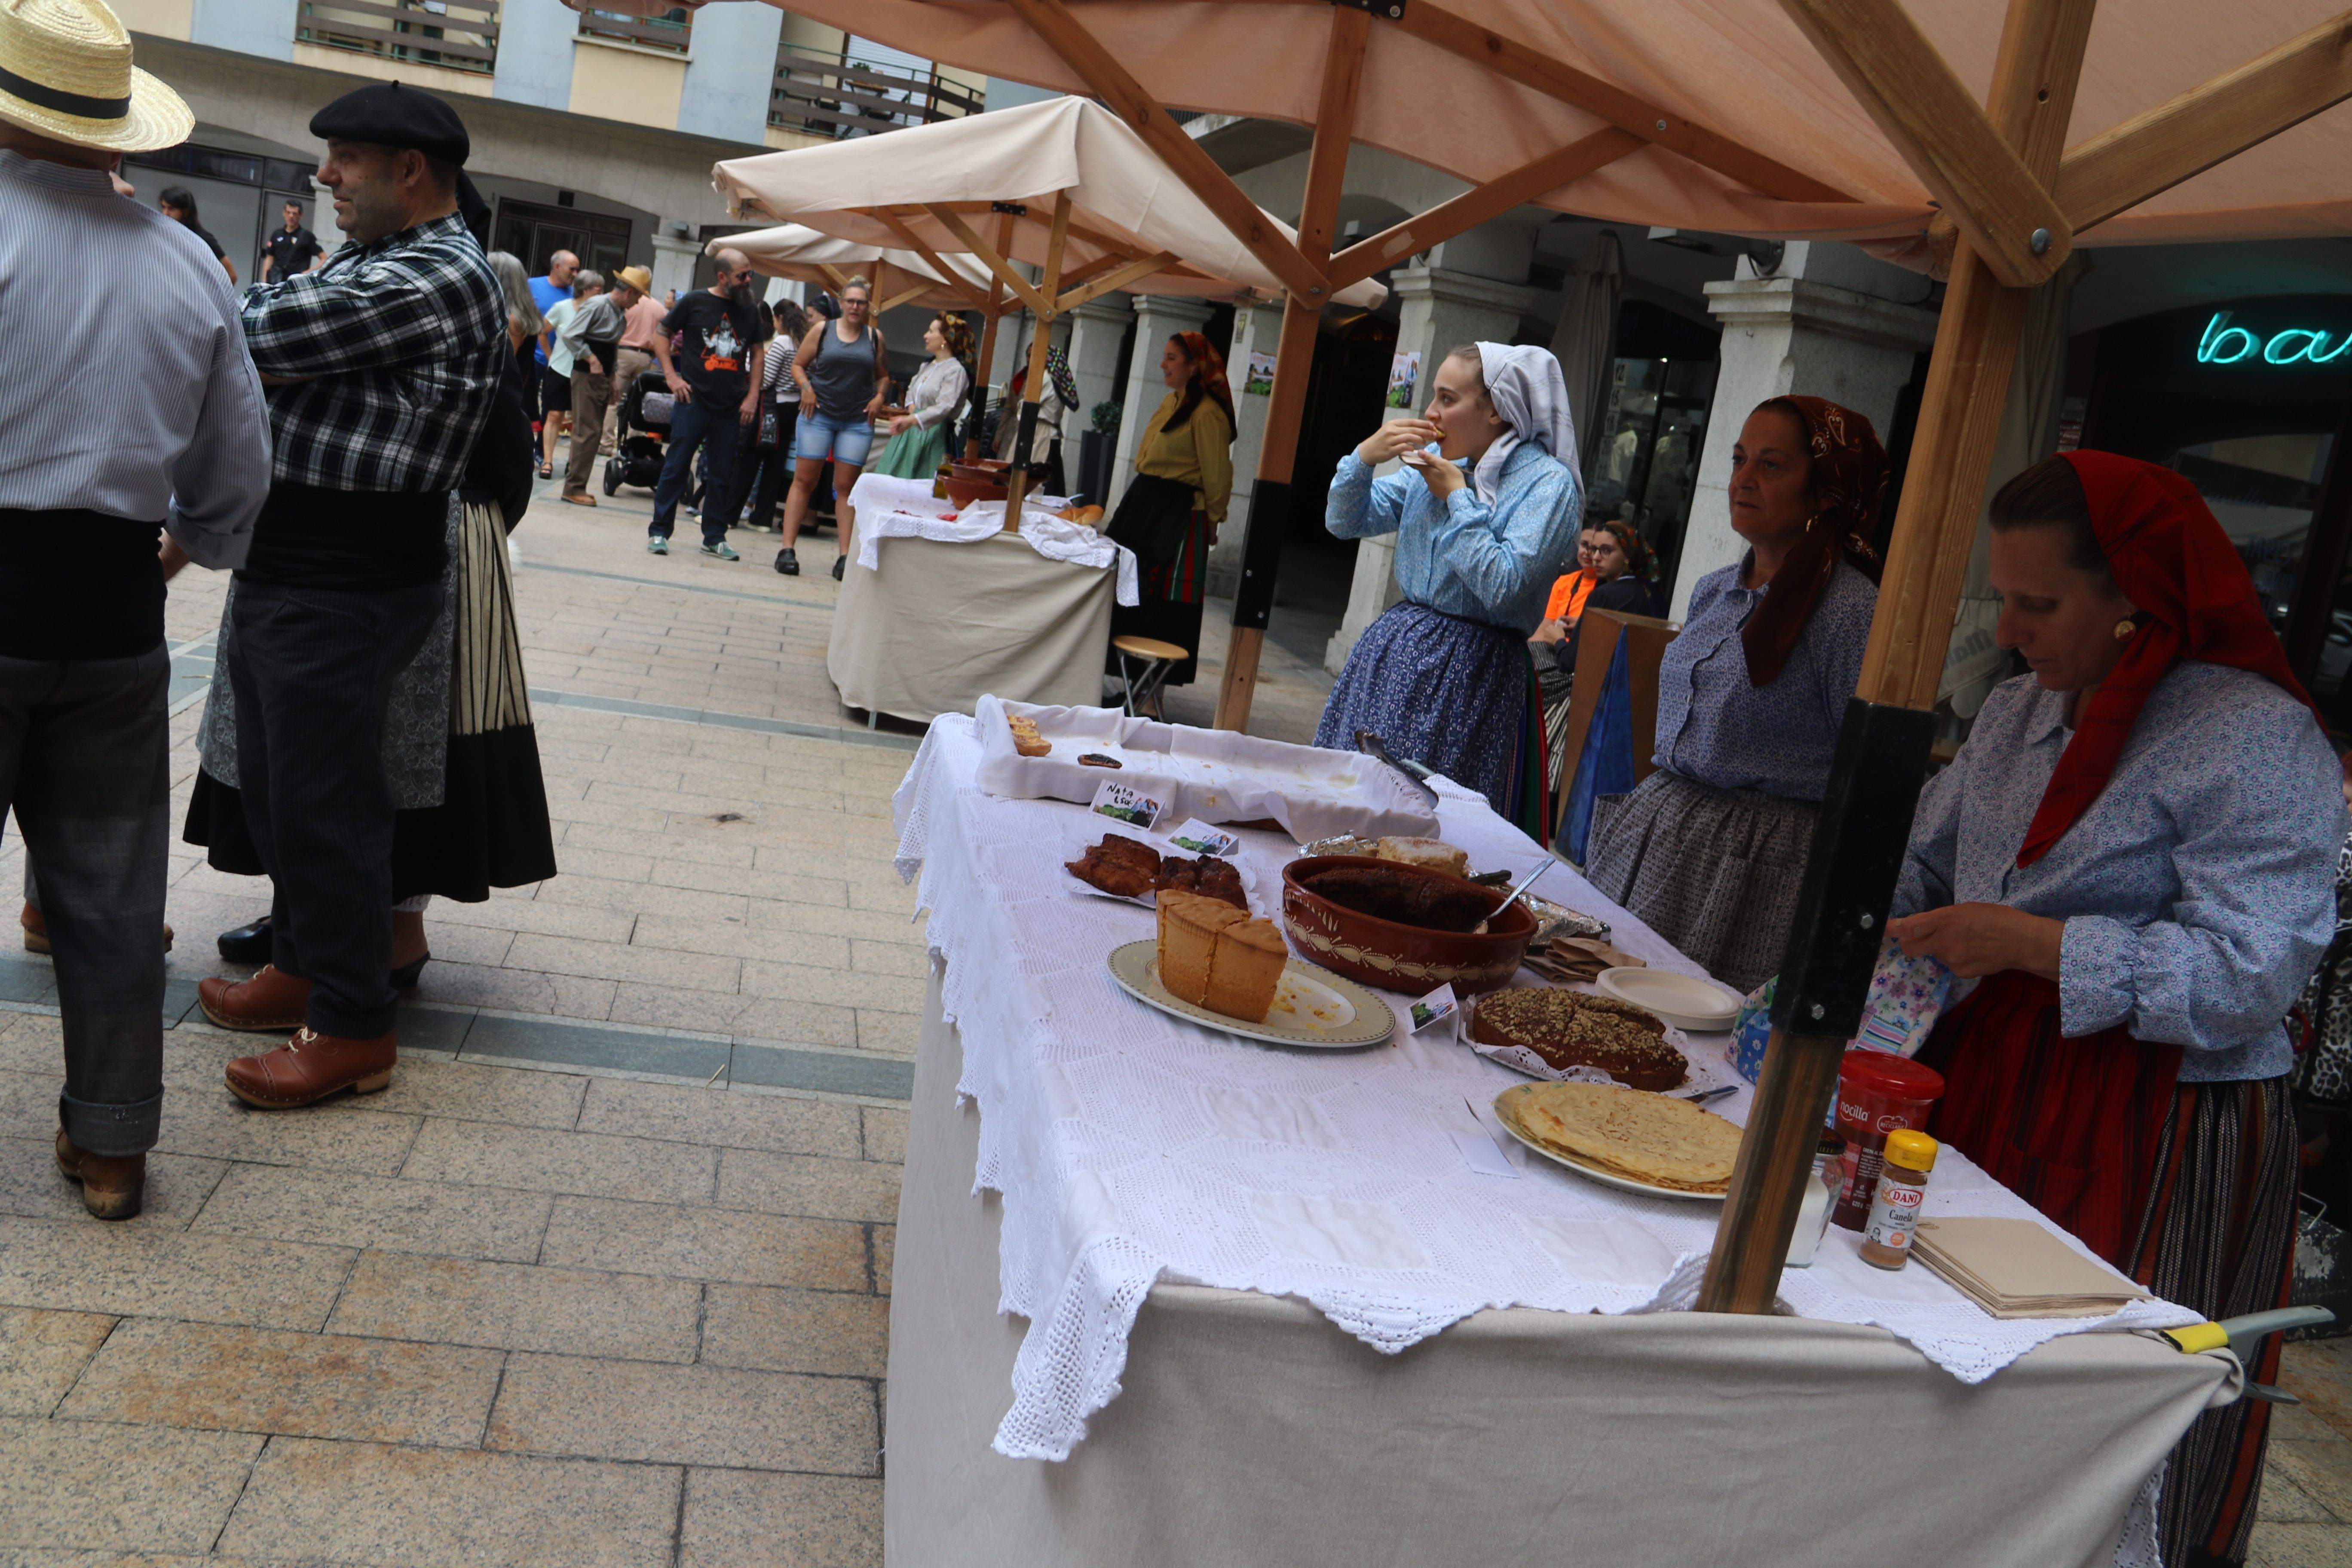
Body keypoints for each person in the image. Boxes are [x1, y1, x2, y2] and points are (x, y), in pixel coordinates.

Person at [1886, 452, 2343, 1568]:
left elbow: (2250, 976)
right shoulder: (2015, 714)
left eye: (2040, 605)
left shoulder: (2250, 736)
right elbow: (1928, 862)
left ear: (2136, 597)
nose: (2010, 632)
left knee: (2099, 1395)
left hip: (2158, 1119)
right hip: (1992, 1073)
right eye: (2005, 599)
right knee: (1956, 1358)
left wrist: (2032, 945)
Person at [0, 0, 270, 1218]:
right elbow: (238, 471)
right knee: (112, 900)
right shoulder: (184, 263)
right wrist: (174, 556)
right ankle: (112, 1148)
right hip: (112, 612)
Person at [187, 80, 505, 1112]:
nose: (323, 177)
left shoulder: (439, 272)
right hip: (298, 568)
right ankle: (304, 967)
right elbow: (273, 340)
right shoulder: (377, 259)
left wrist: (274, 356)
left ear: (408, 171)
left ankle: (356, 1026)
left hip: (345, 580)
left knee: (325, 805)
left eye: (344, 160)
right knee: (281, 791)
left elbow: (247, 331)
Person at [1581, 395, 1882, 992]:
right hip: (1659, 837)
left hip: (1753, 876)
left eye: (1771, 465)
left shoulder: (1850, 612)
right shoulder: (1715, 590)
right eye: (1739, 459)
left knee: (1691, 1025)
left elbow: (1870, 776)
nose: (1742, 480)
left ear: (1826, 490)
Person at [1311, 342, 1580, 839]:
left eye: (1447, 398)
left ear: (1498, 409)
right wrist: (1364, 458)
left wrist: (1458, 498)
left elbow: (1503, 586)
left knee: (1430, 824)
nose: (1431, 412)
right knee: (1351, 804)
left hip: (1474, 675)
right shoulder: (1434, 459)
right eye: (1434, 395)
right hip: (1393, 657)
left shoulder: (1548, 485)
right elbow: (1345, 521)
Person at [1104, 333, 1236, 691]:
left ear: (1195, 367)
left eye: (1172, 358)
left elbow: (1218, 476)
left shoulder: (1207, 414)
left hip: (1178, 513)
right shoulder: (1171, 401)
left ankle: (1151, 695)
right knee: (1129, 589)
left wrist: (1213, 519)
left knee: (1163, 598)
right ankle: (1132, 686)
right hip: (1145, 503)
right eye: (1164, 356)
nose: (1163, 364)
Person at [646, 246, 765, 560]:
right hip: (693, 400)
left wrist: (753, 396)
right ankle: (659, 532)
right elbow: (661, 333)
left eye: (750, 274)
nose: (748, 280)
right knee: (676, 466)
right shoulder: (695, 302)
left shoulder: (750, 309)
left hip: (731, 406)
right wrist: (671, 377)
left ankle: (714, 537)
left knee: (722, 474)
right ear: (722, 276)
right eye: (742, 276)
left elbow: (758, 353)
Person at [778, 276, 885, 579]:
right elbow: (798, 365)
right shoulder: (823, 330)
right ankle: (787, 550)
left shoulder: (875, 337)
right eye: (850, 301)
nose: (855, 307)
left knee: (846, 488)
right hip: (819, 415)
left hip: (857, 421)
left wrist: (879, 397)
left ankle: (845, 557)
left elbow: (883, 376)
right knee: (804, 481)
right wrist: (806, 389)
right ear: (841, 303)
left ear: (867, 307)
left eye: (861, 302)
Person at [1530, 518, 1660, 676]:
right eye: (1594, 549)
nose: (1596, 557)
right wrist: (1581, 626)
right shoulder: (1640, 591)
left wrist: (1558, 640)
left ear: (1627, 556)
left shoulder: (1603, 594)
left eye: (1606, 551)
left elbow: (1569, 663)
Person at [723, 296, 807, 538]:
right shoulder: (804, 342)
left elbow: (766, 379)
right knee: (775, 464)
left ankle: (729, 515)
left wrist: (750, 372)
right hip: (793, 408)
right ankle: (762, 518)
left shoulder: (782, 342)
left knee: (750, 458)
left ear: (780, 319)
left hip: (771, 407)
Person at [868, 312, 971, 481]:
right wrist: (911, 408)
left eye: (931, 331)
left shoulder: (955, 371)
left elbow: (945, 406)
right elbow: (911, 390)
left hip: (934, 437)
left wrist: (914, 419)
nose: (926, 336)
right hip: (910, 434)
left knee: (920, 483)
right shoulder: (927, 365)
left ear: (945, 339)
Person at [558, 269, 627, 507]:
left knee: (593, 432)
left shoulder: (618, 311)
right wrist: (591, 358)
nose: (639, 302)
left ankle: (577, 485)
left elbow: (612, 346)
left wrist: (613, 378)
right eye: (638, 296)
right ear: (629, 292)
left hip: (601, 375)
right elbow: (571, 335)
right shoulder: (597, 305)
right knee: (586, 432)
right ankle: (574, 487)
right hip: (588, 375)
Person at [992, 343, 1076, 494]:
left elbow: (1027, 407)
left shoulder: (1045, 379)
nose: (1030, 360)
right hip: (1040, 431)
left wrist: (1022, 406)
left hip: (1041, 433)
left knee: (1032, 482)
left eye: (1035, 356)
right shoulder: (1052, 379)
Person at [539, 270, 597, 480]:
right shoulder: (562, 308)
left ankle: (573, 462)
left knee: (579, 420)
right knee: (554, 415)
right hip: (560, 369)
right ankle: (547, 461)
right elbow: (542, 332)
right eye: (598, 288)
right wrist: (550, 357)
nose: (602, 293)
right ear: (587, 290)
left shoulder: (598, 312)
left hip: (585, 373)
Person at [528, 249, 578, 477]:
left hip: (557, 364)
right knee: (526, 407)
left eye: (577, 270)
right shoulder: (533, 286)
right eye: (572, 269)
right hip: (531, 358)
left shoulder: (574, 295)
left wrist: (551, 359)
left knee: (551, 412)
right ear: (557, 267)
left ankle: (541, 454)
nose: (575, 274)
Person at [605, 264, 662, 446]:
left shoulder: (625, 303)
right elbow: (663, 337)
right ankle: (633, 441)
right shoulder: (659, 308)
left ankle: (606, 442)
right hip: (645, 357)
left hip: (622, 353)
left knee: (613, 399)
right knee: (639, 401)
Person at [156, 184, 234, 282]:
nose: (165, 213)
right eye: (164, 207)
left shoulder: (203, 238)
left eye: (171, 209)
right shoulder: (164, 234)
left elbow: (231, 275)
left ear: (186, 212)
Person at [260, 197, 322, 281]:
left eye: (295, 214)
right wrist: (264, 281)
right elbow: (269, 258)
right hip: (276, 280)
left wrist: (307, 273)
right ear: (284, 213)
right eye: (288, 213)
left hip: (295, 281)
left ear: (301, 215)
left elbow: (324, 259)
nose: (291, 216)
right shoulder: (277, 234)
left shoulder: (307, 236)